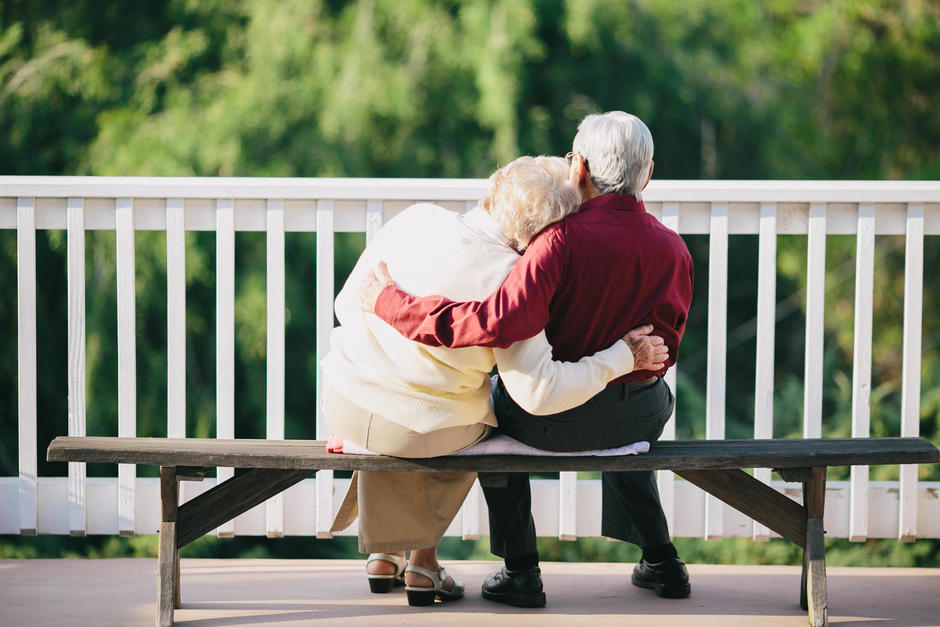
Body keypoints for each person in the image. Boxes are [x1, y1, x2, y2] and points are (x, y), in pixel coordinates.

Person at [360, 111, 694, 606]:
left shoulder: (556, 242)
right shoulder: (675, 249)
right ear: (648, 175)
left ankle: (520, 571)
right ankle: (663, 561)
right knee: (632, 422)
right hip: (640, 415)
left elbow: (493, 321)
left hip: (551, 422)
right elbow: (663, 346)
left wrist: (390, 302)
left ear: (578, 167)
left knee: (493, 412)